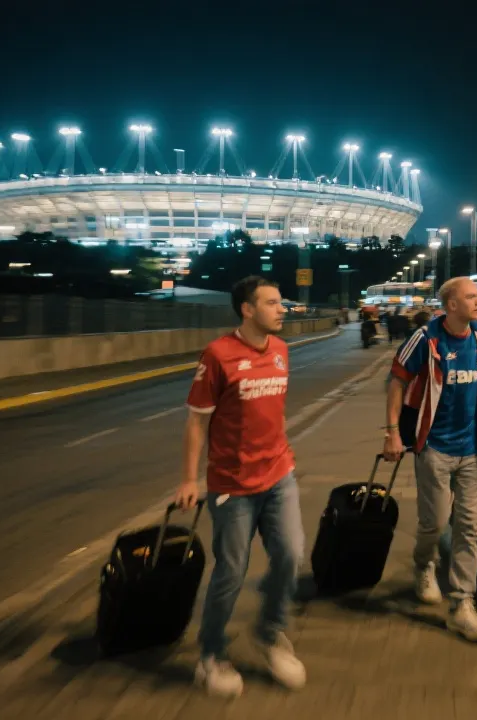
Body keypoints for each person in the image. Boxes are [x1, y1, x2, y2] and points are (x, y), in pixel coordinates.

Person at [175, 276, 306, 698]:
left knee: (290, 554)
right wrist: (189, 479)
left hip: (278, 475)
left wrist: (281, 449)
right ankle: (211, 654)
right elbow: (197, 420)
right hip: (232, 484)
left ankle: (269, 633)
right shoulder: (218, 355)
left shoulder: (283, 351)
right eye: (272, 303)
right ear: (247, 310)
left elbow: (273, 410)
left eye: (280, 301)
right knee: (231, 571)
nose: (282, 309)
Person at [384, 276, 477, 643]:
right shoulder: (426, 339)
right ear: (451, 305)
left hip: (474, 449)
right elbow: (396, 381)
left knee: (470, 526)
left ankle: (462, 604)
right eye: (472, 297)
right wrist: (393, 432)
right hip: (434, 447)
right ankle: (424, 564)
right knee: (435, 521)